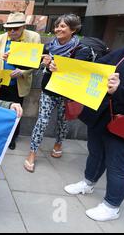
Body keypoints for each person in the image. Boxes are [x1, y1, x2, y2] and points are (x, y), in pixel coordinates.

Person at [64, 40, 124, 222]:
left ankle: (112, 206)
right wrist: (63, 68)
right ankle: (88, 183)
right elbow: (96, 68)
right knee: (95, 152)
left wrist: (120, 90)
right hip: (102, 114)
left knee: (118, 165)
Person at [24, 14, 92, 172]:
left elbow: (79, 72)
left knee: (63, 122)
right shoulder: (48, 46)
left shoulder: (81, 49)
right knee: (42, 121)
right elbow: (35, 63)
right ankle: (32, 153)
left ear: (73, 29)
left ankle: (58, 143)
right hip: (48, 90)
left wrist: (58, 68)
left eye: (62, 26)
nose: (57, 29)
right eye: (56, 26)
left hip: (66, 94)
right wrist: (43, 65)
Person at [0, 12, 41, 150]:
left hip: (18, 85)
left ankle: (12, 138)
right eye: (9, 28)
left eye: (16, 28)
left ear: (23, 27)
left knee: (16, 112)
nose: (12, 31)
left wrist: (22, 72)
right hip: (0, 84)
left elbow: (34, 63)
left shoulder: (33, 38)